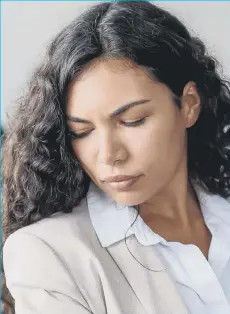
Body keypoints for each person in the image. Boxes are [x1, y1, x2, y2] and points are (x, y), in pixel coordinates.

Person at [2, 1, 230, 313]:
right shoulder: (49, 253)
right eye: (81, 131)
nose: (109, 155)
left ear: (189, 103)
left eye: (132, 120)